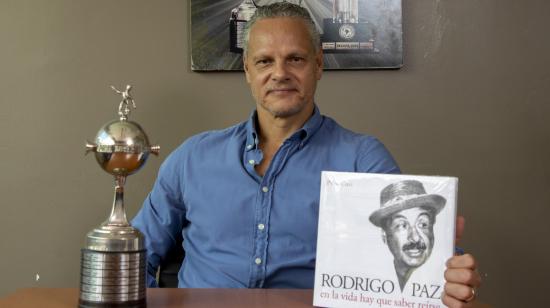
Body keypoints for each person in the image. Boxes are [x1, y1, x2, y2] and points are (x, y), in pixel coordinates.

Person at [132, 2, 482, 307]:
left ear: (318, 65)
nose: (279, 73)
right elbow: (136, 255)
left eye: (295, 59)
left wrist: (447, 275)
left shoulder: (362, 159)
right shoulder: (192, 158)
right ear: (248, 72)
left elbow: (415, 254)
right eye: (265, 61)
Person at [369, 180, 446, 292]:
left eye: (423, 224)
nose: (414, 238)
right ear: (384, 235)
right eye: (401, 225)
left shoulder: (447, 269)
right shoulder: (372, 274)